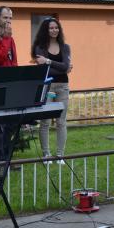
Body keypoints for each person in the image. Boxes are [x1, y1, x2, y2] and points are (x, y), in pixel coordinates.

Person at [32, 17, 72, 164]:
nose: (54, 30)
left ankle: (60, 155)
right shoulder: (39, 47)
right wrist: (62, 67)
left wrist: (48, 61)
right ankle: (46, 154)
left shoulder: (65, 47)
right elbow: (47, 70)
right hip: (47, 86)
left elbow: (65, 67)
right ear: (45, 30)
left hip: (63, 86)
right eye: (51, 28)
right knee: (45, 122)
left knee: (61, 122)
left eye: (56, 27)